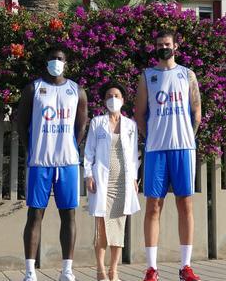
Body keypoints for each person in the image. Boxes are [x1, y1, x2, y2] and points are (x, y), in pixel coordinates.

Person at [13, 46, 89, 281]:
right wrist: (31, 149)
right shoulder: (33, 89)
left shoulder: (77, 90)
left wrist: (72, 148)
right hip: (40, 161)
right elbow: (21, 123)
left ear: (66, 63)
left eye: (60, 59)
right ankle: (30, 271)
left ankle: (67, 270)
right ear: (45, 62)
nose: (56, 61)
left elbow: (81, 125)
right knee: (35, 214)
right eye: (52, 58)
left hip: (67, 162)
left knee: (69, 216)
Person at [134, 30, 202, 281]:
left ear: (176, 46)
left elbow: (197, 112)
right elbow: (139, 114)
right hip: (155, 150)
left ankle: (186, 267)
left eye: (168, 44)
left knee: (186, 204)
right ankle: (151, 268)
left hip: (183, 148)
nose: (164, 47)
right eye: (160, 44)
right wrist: (151, 136)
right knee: (153, 206)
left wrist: (187, 135)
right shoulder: (147, 76)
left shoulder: (187, 75)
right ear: (155, 48)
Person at [83, 82, 141, 281]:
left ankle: (114, 270)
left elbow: (134, 155)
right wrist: (88, 175)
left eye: (116, 95)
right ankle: (100, 270)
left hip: (122, 182)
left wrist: (134, 178)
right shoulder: (97, 123)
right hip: (102, 182)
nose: (113, 99)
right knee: (101, 228)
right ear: (104, 100)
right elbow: (89, 151)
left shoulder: (131, 126)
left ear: (123, 100)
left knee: (118, 226)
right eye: (109, 96)